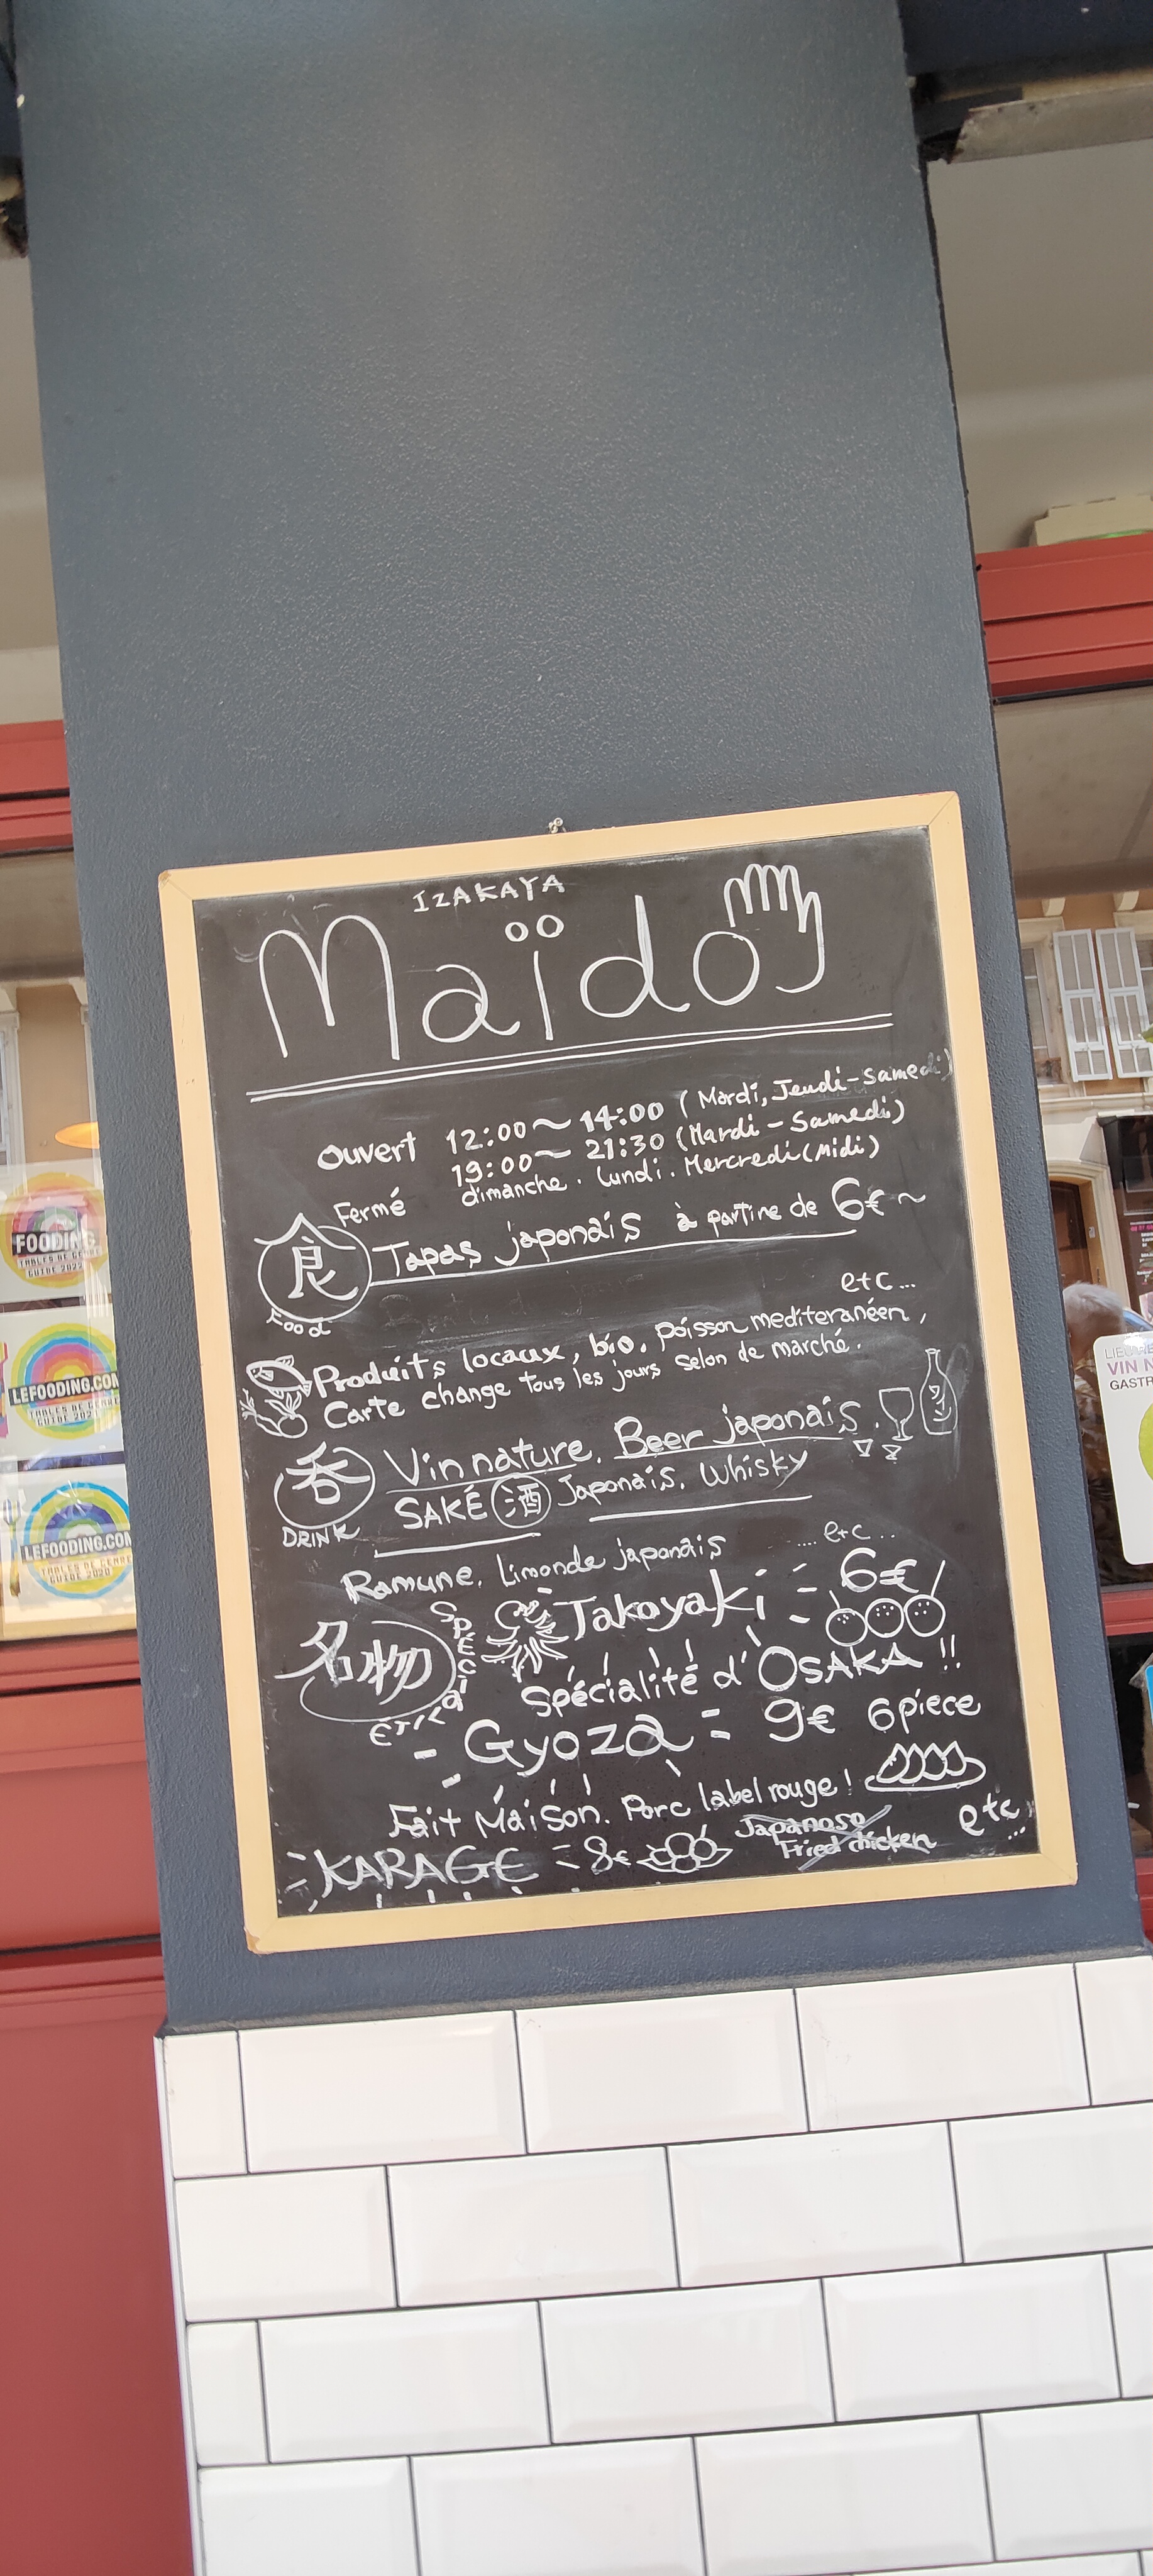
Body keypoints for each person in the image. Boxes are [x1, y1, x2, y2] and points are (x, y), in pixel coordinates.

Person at [1062, 1283, 1153, 1853]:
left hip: (1111, 1584)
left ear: (1071, 1336)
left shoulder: (1072, 1395)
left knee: (1119, 1708)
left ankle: (1136, 1815)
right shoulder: (1144, 1379)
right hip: (1139, 1577)